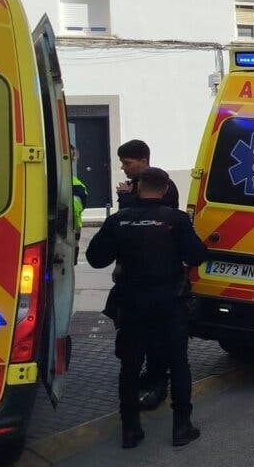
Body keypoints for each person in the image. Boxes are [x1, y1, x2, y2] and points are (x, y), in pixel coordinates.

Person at [86, 167, 208, 448]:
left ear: (138, 187)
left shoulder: (119, 220)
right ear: (165, 189)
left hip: (131, 301)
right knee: (178, 363)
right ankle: (181, 427)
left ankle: (130, 430)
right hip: (169, 301)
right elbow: (197, 255)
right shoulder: (175, 220)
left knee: (129, 366)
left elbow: (95, 258)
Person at [113, 139, 180, 411]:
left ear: (143, 160)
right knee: (131, 333)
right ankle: (144, 376)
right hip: (133, 276)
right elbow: (122, 231)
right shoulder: (133, 188)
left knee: (158, 337)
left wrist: (128, 198)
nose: (123, 168)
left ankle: (158, 382)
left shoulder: (161, 186)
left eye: (127, 163)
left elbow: (150, 219)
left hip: (159, 276)